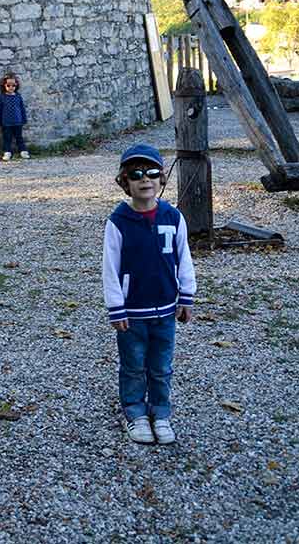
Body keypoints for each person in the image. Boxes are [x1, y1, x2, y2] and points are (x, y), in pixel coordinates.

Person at [102, 143, 196, 445]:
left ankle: (161, 412)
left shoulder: (173, 217)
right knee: (133, 364)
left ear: (161, 179)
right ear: (125, 182)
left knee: (161, 366)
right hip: (133, 312)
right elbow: (110, 267)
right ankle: (135, 413)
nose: (145, 179)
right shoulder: (118, 222)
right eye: (136, 173)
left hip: (167, 309)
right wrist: (116, 307)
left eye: (152, 172)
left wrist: (186, 296)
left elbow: (184, 258)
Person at [0, 74, 30, 161]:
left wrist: (24, 119)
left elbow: (22, 108)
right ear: (4, 85)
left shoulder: (18, 96)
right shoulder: (2, 97)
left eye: (13, 85)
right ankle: (7, 152)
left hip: (18, 122)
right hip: (6, 122)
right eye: (8, 85)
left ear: (16, 86)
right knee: (7, 138)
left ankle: (23, 151)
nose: (11, 87)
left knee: (19, 137)